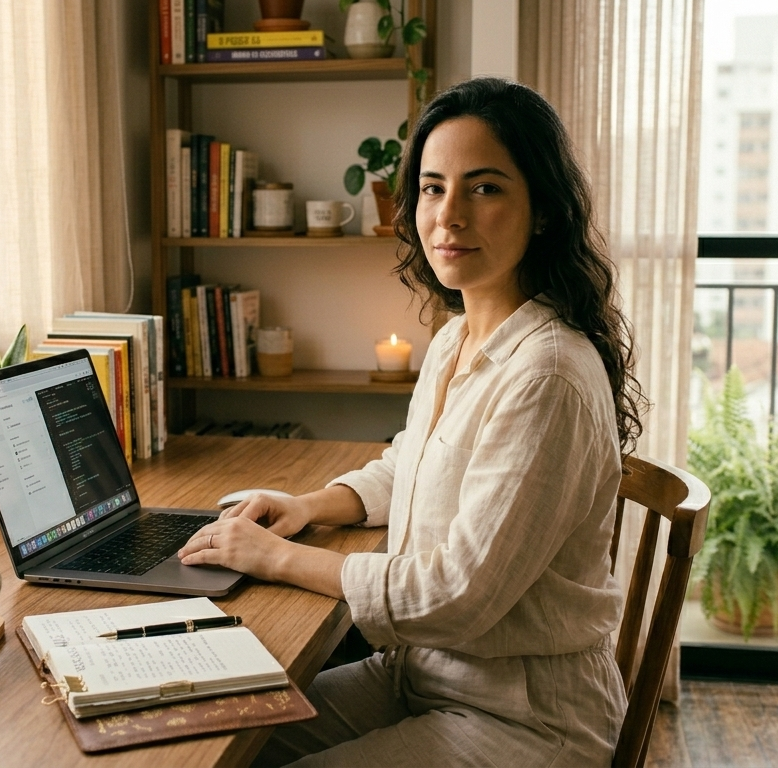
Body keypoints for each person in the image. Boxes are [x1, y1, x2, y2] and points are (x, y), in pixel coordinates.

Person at [177, 77, 647, 766]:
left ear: (542, 209)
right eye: (432, 187)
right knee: (213, 738)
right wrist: (304, 506)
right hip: (422, 675)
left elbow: (454, 596)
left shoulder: (546, 373)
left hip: (527, 716)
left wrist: (276, 558)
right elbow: (410, 465)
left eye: (484, 188)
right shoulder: (461, 335)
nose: (448, 216)